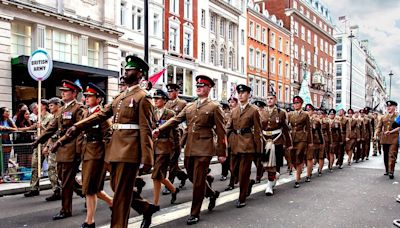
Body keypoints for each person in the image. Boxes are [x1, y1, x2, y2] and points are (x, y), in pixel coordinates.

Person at [65, 56, 157, 228]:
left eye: (130, 69)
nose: (126, 72)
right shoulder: (121, 96)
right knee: (117, 187)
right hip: (114, 149)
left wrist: (147, 157)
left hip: (130, 150)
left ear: (140, 74)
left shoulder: (142, 97)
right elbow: (100, 115)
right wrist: (77, 126)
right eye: (125, 68)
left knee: (121, 194)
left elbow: (146, 129)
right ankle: (145, 208)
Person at [152, 75, 226, 225]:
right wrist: (160, 129)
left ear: (209, 88)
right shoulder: (190, 106)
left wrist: (222, 152)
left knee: (198, 181)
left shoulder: (214, 107)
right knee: (192, 176)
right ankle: (211, 194)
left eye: (202, 86)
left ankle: (195, 212)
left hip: (205, 148)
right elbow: (176, 119)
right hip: (190, 148)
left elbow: (221, 131)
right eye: (197, 86)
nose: (199, 88)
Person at [54, 83, 113, 228]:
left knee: (90, 188)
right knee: (91, 188)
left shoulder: (101, 115)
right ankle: (113, 203)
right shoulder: (86, 113)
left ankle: (89, 221)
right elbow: (78, 132)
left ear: (98, 98)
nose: (86, 98)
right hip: (87, 152)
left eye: (90, 96)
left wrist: (106, 160)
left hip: (97, 154)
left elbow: (108, 137)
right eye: (85, 96)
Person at [32, 80, 85, 220]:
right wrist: (39, 140)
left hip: (71, 149)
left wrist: (79, 151)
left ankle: (66, 210)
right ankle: (87, 193)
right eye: (62, 90)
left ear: (74, 93)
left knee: (66, 181)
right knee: (63, 178)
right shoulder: (62, 110)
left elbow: (79, 130)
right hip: (61, 150)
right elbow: (52, 127)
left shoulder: (78, 108)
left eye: (66, 91)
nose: (63, 93)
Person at [226, 84, 261, 208]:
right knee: (233, 169)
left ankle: (242, 198)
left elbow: (257, 130)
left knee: (243, 173)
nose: (240, 95)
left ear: (248, 95)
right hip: (235, 143)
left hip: (247, 144)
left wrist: (258, 149)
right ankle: (249, 183)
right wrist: (224, 142)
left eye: (243, 93)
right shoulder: (234, 110)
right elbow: (228, 127)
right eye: (239, 93)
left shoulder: (254, 110)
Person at [259, 92, 292, 196]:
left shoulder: (281, 112)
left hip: (277, 140)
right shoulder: (261, 112)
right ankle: (273, 177)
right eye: (267, 98)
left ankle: (269, 185)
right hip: (265, 140)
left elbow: (285, 128)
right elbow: (258, 127)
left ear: (275, 100)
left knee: (275, 164)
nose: (269, 100)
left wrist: (288, 143)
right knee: (266, 163)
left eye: (271, 98)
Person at [152, 89, 180, 206]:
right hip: (154, 146)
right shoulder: (152, 113)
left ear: (164, 100)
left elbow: (176, 132)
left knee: (156, 175)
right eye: (155, 98)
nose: (156, 100)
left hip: (165, 147)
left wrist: (176, 148)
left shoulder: (170, 114)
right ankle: (174, 190)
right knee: (161, 176)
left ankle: (155, 204)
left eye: (158, 98)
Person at [24, 99, 53, 197]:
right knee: (35, 166)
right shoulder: (38, 117)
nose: (36, 107)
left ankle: (57, 188)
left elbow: (51, 132)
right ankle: (34, 188)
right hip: (38, 144)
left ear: (44, 106)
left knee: (52, 168)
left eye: (38, 105)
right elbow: (32, 127)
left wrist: (42, 128)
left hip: (47, 144)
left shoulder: (50, 117)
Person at [163, 83, 188, 194]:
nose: (169, 93)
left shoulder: (182, 103)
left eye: (172, 91)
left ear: (177, 92)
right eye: (168, 91)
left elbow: (184, 120)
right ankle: (183, 176)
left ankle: (170, 184)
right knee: (169, 162)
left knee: (173, 162)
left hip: (176, 136)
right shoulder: (166, 103)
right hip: (165, 137)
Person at [42, 97, 63, 201]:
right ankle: (56, 190)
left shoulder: (63, 115)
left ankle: (79, 189)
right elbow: (50, 134)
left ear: (58, 105)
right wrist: (47, 146)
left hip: (62, 145)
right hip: (53, 145)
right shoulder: (54, 117)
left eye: (51, 105)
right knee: (51, 168)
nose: (49, 107)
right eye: (49, 105)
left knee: (62, 171)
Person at [287, 96, 310, 188]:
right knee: (292, 158)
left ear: (301, 104)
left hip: (302, 138)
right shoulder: (290, 114)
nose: (296, 105)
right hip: (292, 138)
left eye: (298, 103)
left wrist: (309, 141)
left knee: (298, 155)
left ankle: (297, 178)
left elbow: (308, 129)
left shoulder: (305, 115)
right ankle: (299, 169)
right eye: (295, 103)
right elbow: (286, 126)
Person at [375, 100, 399, 179]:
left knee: (392, 154)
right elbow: (379, 126)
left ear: (395, 107)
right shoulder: (383, 117)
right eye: (387, 106)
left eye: (390, 106)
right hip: (385, 138)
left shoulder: (398, 116)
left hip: (394, 137)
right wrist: (376, 134)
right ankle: (387, 169)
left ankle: (391, 171)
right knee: (385, 155)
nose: (388, 108)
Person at [225, 96, 239, 191]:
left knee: (233, 164)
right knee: (229, 164)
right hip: (228, 141)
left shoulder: (238, 112)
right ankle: (237, 178)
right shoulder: (226, 114)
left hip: (237, 140)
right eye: (229, 102)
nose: (230, 104)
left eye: (233, 102)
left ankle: (232, 183)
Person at [252, 99, 267, 183]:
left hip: (261, 137)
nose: (257, 109)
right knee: (254, 158)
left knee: (259, 157)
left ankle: (258, 176)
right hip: (251, 138)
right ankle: (261, 169)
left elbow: (264, 124)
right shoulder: (253, 112)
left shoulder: (264, 114)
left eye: (259, 107)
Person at [306, 104, 322, 180]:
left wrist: (321, 142)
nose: (308, 112)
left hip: (313, 141)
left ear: (312, 111)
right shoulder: (303, 118)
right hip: (304, 140)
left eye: (309, 110)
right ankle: (310, 168)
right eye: (306, 110)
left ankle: (308, 174)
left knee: (310, 157)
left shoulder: (316, 120)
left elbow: (319, 131)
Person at [220, 101, 230, 181]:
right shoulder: (222, 115)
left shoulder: (228, 115)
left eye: (223, 108)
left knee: (226, 158)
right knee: (224, 157)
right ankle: (225, 173)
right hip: (223, 138)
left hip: (228, 139)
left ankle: (225, 174)